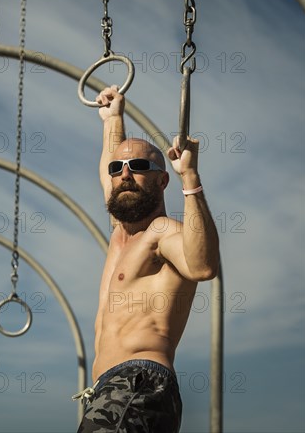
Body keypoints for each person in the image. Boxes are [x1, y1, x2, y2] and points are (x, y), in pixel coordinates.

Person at [74, 86, 220, 433]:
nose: (124, 173)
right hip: (109, 388)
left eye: (138, 166)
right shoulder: (120, 236)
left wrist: (190, 178)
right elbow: (112, 170)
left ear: (162, 180)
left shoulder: (161, 233)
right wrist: (113, 118)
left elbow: (203, 267)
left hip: (139, 382)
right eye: (117, 168)